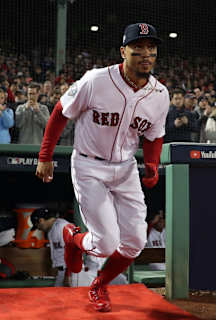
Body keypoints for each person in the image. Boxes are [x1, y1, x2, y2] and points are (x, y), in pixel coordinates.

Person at [35, 22, 168, 313]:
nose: (146, 54)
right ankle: (72, 237)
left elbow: (154, 134)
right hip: (89, 165)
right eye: (138, 48)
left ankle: (99, 285)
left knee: (134, 242)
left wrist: (152, 163)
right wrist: (45, 156)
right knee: (106, 244)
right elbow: (60, 112)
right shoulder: (96, 80)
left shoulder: (160, 94)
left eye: (151, 48)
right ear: (123, 51)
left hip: (125, 168)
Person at [30, 208, 128, 288]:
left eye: (37, 225)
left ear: (41, 220)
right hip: (64, 271)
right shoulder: (52, 229)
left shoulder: (62, 227)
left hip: (70, 271)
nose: (38, 228)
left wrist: (67, 274)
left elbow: (73, 251)